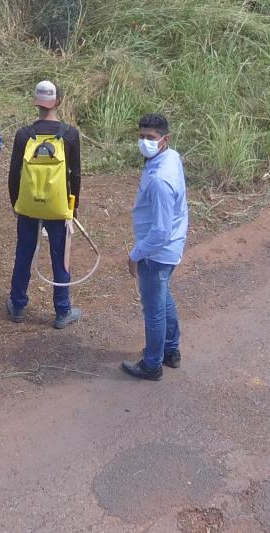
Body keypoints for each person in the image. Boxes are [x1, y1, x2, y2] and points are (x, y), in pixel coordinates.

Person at [6, 80, 84, 328]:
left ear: (35, 103)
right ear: (58, 101)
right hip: (58, 207)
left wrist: (16, 204)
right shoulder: (70, 134)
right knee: (60, 258)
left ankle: (17, 306)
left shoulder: (24, 135)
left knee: (24, 255)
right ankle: (63, 311)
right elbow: (76, 175)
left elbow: (14, 175)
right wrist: (73, 206)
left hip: (28, 206)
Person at [121, 113, 188, 381]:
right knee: (163, 297)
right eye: (141, 137)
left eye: (151, 138)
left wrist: (135, 255)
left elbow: (160, 231)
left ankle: (152, 365)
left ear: (165, 139)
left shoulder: (161, 179)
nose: (145, 142)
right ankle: (170, 350)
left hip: (156, 251)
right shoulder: (171, 157)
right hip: (170, 246)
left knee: (154, 310)